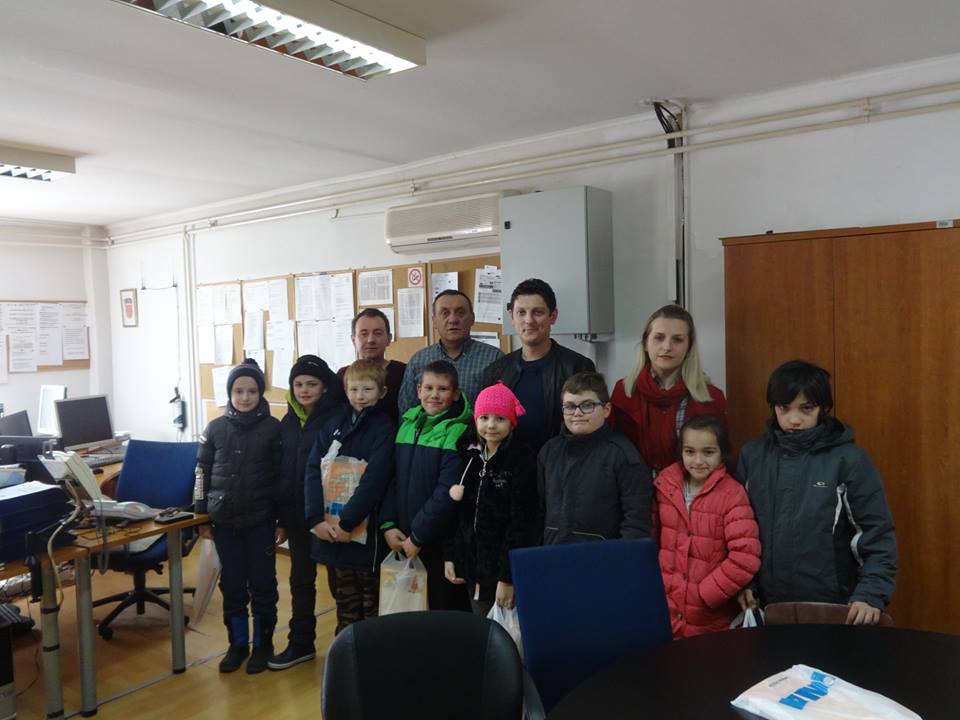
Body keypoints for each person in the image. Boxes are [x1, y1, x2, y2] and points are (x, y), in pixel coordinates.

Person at [736, 360, 897, 625]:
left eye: (806, 408)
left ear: (823, 408)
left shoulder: (849, 461)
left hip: (833, 608)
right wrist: (744, 583)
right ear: (773, 406)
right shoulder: (752, 456)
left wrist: (870, 594)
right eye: (784, 407)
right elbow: (737, 531)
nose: (794, 419)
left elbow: (876, 534)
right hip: (767, 608)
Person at [194, 359, 283, 674]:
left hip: (261, 522)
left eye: (252, 391)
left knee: (263, 586)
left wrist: (282, 521)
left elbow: (281, 478)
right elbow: (201, 474)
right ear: (230, 393)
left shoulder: (273, 429)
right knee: (232, 586)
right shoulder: (215, 429)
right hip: (225, 522)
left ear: (261, 393)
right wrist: (201, 517)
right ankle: (238, 644)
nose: (245, 397)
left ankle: (263, 645)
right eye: (238, 391)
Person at [304, 360, 396, 634]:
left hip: (363, 534)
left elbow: (375, 480)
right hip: (330, 530)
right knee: (344, 602)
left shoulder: (384, 428)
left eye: (368, 389)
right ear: (345, 391)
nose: (360, 396)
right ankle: (345, 652)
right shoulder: (333, 424)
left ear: (382, 392)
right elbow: (312, 469)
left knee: (370, 604)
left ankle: (370, 654)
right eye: (354, 389)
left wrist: (347, 522)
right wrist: (315, 519)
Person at [267, 354, 344, 671]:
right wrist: (281, 519)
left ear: (325, 387)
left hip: (329, 518)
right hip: (296, 515)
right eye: (298, 384)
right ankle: (300, 643)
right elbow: (280, 473)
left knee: (340, 583)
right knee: (300, 580)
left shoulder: (338, 418)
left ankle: (345, 647)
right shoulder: (286, 423)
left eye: (312, 384)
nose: (304, 390)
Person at [652, 415, 760, 639]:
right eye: (690, 452)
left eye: (708, 452)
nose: (698, 460)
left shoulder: (732, 494)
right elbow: (652, 541)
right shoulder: (664, 486)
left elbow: (745, 556)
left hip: (710, 618)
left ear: (722, 453)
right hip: (666, 611)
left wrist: (705, 594)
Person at [380, 360, 472, 610]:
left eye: (443, 389)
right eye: (428, 388)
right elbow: (391, 478)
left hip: (437, 540)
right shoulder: (406, 425)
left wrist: (418, 535)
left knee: (443, 610)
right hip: (401, 537)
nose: (434, 395)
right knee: (410, 611)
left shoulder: (459, 431)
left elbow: (447, 492)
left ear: (455, 394)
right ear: (418, 390)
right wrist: (388, 524)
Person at [443, 382, 539, 617]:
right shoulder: (470, 457)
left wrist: (507, 577)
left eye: (500, 419)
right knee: (480, 627)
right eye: (484, 418)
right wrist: (451, 556)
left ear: (512, 422)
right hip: (471, 569)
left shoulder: (521, 460)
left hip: (501, 573)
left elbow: (522, 523)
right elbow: (458, 515)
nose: (491, 425)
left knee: (503, 633)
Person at [481, 278, 595, 454]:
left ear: (553, 316)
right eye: (521, 312)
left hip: (560, 464)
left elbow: (590, 428)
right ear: (512, 317)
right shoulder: (497, 371)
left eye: (538, 312)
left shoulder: (577, 367)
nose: (529, 320)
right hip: (510, 467)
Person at [610, 304, 727, 475]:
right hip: (635, 486)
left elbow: (718, 459)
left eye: (677, 340)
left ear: (689, 347)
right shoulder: (624, 392)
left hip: (691, 488)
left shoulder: (711, 398)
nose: (667, 347)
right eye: (659, 338)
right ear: (645, 343)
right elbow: (613, 454)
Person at [538, 371, 651, 545]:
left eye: (587, 405)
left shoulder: (622, 455)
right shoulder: (549, 452)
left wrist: (622, 557)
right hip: (553, 552)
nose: (577, 413)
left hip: (602, 556)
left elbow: (636, 521)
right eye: (569, 406)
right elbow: (537, 509)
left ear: (606, 410)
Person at [397, 290, 503, 414]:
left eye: (460, 313)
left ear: (472, 318)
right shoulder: (418, 361)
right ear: (434, 321)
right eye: (445, 313)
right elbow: (406, 413)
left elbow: (505, 411)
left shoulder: (494, 358)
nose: (453, 319)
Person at [336, 308, 406, 426]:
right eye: (364, 334)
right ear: (353, 340)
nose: (370, 340)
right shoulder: (343, 375)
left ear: (389, 339)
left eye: (378, 333)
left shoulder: (403, 372)